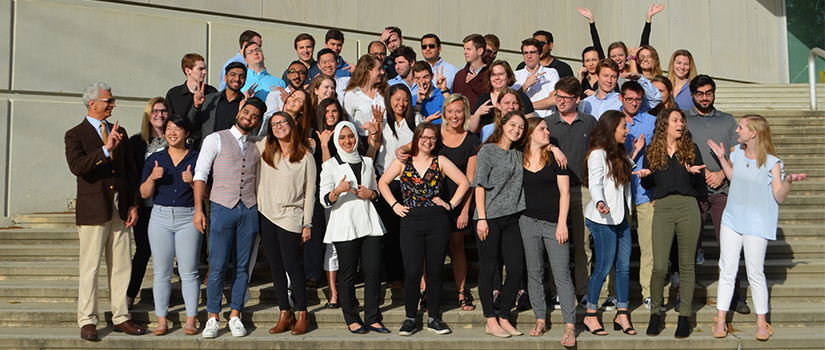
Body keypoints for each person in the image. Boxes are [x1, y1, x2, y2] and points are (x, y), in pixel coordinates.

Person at [709, 115, 806, 341]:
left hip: (757, 224)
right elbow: (734, 178)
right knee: (727, 269)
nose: (737, 131)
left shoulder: (773, 162)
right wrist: (723, 159)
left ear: (753, 133)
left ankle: (762, 322)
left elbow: (779, 196)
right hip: (732, 220)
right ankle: (721, 319)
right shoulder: (736, 154)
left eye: (741, 128)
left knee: (755, 272)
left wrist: (788, 181)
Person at [65, 82, 146, 341]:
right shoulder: (75, 134)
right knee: (90, 266)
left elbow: (130, 172)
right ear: (93, 104)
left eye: (112, 101)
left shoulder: (118, 131)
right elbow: (77, 166)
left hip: (120, 208)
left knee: (121, 264)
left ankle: (121, 316)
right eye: (108, 100)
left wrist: (133, 203)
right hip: (93, 208)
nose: (112, 104)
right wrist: (105, 149)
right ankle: (87, 319)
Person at [379, 122, 470, 336]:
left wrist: (451, 205)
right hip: (411, 220)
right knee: (412, 273)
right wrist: (395, 205)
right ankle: (410, 318)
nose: (428, 141)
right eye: (424, 137)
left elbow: (465, 182)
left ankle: (434, 318)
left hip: (438, 220)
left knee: (436, 272)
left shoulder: (441, 161)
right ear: (417, 138)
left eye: (432, 138)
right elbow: (383, 182)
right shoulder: (404, 161)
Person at [193, 96, 266, 339]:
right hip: (221, 206)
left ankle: (235, 314)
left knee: (243, 266)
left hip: (249, 208)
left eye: (254, 116)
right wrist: (198, 209)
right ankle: (212, 316)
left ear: (258, 122)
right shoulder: (215, 138)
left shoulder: (258, 144)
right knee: (217, 265)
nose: (249, 117)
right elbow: (200, 174)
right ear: (239, 112)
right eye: (247, 112)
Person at [635, 108, 706, 338]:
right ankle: (656, 314)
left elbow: (698, 182)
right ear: (665, 123)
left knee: (686, 265)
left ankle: (684, 317)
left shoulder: (691, 149)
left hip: (688, 207)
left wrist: (694, 173)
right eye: (676, 120)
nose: (680, 124)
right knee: (659, 266)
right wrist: (646, 177)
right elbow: (649, 187)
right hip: (663, 207)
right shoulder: (652, 151)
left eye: (682, 121)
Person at [685, 75, 750, 314]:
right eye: (700, 93)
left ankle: (736, 295)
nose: (705, 97)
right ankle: (686, 295)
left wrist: (722, 175)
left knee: (730, 247)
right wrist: (702, 175)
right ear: (692, 94)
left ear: (714, 93)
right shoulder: (685, 120)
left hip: (723, 192)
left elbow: (738, 151)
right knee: (690, 245)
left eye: (709, 92)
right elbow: (681, 152)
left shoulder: (727, 120)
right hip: (694, 192)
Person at [320, 121, 387, 334]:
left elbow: (375, 192)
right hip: (344, 224)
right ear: (336, 141)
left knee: (373, 270)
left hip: (369, 222)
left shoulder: (367, 162)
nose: (347, 141)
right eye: (342, 137)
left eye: (350, 136)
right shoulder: (330, 165)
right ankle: (351, 317)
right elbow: (324, 199)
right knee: (348, 273)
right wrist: (338, 190)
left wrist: (371, 194)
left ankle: (373, 317)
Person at [580, 110, 641, 337]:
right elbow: (595, 183)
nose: (627, 131)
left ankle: (622, 313)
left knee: (624, 267)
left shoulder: (619, 152)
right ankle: (590, 315)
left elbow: (622, 172)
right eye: (623, 127)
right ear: (611, 128)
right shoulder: (597, 154)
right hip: (602, 218)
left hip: (620, 217)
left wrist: (635, 157)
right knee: (603, 268)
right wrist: (600, 202)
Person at [139, 115, 200, 336]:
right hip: (160, 217)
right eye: (169, 128)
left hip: (188, 217)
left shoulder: (196, 158)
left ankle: (191, 320)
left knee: (189, 272)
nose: (172, 132)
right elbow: (144, 193)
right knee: (161, 273)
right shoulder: (155, 159)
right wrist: (153, 178)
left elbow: (207, 193)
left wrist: (193, 181)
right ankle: (162, 320)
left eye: (178, 129)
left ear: (187, 134)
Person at [257, 111, 316, 336]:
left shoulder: (305, 157)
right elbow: (244, 137)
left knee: (292, 265)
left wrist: (307, 223)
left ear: (291, 124)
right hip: (267, 215)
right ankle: (285, 312)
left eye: (283, 122)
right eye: (274, 124)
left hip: (291, 216)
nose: (279, 126)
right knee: (275, 267)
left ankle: (302, 312)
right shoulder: (265, 149)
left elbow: (310, 193)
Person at [519, 117, 576, 346]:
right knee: (534, 273)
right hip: (527, 222)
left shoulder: (556, 158)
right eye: (542, 128)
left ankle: (570, 325)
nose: (547, 131)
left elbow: (565, 193)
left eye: (547, 128)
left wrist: (562, 223)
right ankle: (540, 318)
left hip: (554, 223)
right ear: (531, 133)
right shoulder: (518, 157)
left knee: (562, 274)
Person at [473, 111, 529, 338]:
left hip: (512, 218)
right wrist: (483, 218)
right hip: (489, 218)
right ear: (503, 124)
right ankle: (490, 319)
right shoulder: (488, 150)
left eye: (521, 127)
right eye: (512, 124)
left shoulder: (518, 153)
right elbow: (479, 185)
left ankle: (504, 316)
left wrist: (554, 148)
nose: (516, 130)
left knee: (515, 269)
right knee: (488, 269)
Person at [544, 77, 597, 305]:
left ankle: (583, 291)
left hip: (582, 189)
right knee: (558, 243)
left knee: (583, 244)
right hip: (555, 192)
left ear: (577, 99)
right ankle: (558, 291)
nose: (561, 102)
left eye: (566, 98)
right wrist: (551, 146)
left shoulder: (589, 121)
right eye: (558, 97)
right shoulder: (547, 122)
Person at [374, 84, 421, 290]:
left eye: (405, 99)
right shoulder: (382, 121)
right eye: (397, 99)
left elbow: (424, 141)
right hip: (387, 182)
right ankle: (395, 276)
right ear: (389, 99)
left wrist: (406, 148)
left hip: (412, 182)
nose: (401, 103)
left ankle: (415, 275)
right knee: (391, 232)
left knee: (411, 232)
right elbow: (373, 146)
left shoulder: (417, 120)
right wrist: (375, 126)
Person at [436, 94, 479, 311]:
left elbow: (470, 179)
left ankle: (461, 293)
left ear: (466, 113)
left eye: (459, 111)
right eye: (450, 111)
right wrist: (402, 151)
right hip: (433, 201)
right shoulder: (434, 134)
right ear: (444, 112)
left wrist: (464, 211)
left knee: (457, 246)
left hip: (458, 202)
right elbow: (411, 147)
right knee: (430, 248)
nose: (454, 116)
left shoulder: (471, 139)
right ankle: (427, 293)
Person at [126, 97, 170, 308]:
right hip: (144, 206)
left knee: (167, 254)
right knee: (143, 251)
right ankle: (129, 296)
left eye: (163, 111)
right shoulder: (136, 142)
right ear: (148, 115)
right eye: (155, 111)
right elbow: (131, 176)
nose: (159, 115)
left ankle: (163, 297)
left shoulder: (175, 140)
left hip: (168, 206)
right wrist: (133, 204)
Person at [620, 81, 657, 310]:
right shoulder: (614, 121)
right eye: (629, 99)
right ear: (620, 98)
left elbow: (660, 155)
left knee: (649, 247)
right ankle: (614, 293)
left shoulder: (652, 122)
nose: (634, 103)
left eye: (637, 100)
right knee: (620, 248)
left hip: (645, 192)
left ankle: (649, 293)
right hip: (620, 192)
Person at [313, 97, 346, 308]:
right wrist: (324, 144)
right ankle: (333, 293)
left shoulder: (346, 133)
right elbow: (326, 170)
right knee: (332, 244)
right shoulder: (316, 136)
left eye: (335, 111)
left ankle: (345, 289)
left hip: (349, 194)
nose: (331, 115)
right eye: (327, 111)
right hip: (329, 196)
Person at [188, 62, 248, 149]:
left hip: (235, 151)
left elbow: (251, 133)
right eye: (233, 75)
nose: (237, 79)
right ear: (225, 78)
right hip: (209, 150)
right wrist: (196, 107)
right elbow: (191, 124)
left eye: (242, 76)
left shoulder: (246, 105)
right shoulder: (209, 100)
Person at [580, 59, 661, 120]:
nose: (609, 81)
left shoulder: (625, 100)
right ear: (597, 76)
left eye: (613, 77)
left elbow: (655, 99)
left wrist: (640, 78)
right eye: (605, 76)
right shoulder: (586, 103)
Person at [470, 60, 535, 134]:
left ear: (508, 76)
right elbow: (471, 129)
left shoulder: (520, 96)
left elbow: (531, 124)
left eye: (501, 74)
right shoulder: (484, 99)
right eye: (493, 75)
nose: (497, 78)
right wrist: (478, 113)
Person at [513, 38, 560, 118]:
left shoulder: (551, 72)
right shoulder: (516, 75)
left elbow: (554, 99)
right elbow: (513, 102)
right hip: (524, 122)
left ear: (540, 54)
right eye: (525, 53)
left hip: (546, 121)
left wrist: (529, 106)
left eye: (533, 52)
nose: (529, 56)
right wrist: (526, 85)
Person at [344, 54, 387, 140]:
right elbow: (349, 123)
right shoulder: (352, 94)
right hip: (364, 140)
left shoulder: (385, 90)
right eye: (379, 69)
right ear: (368, 71)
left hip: (386, 138)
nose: (382, 72)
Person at [166, 53, 217, 118]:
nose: (205, 72)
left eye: (205, 69)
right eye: (200, 69)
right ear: (188, 71)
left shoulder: (211, 92)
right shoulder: (174, 94)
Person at [453, 34, 489, 107]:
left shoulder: (491, 74)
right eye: (464, 49)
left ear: (480, 51)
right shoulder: (460, 75)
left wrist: (474, 83)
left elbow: (490, 98)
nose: (465, 52)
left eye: (468, 49)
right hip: (463, 118)